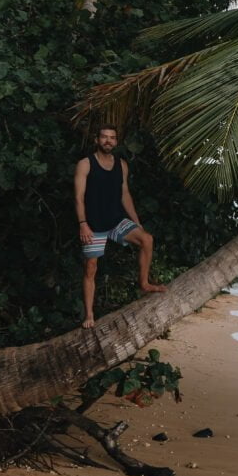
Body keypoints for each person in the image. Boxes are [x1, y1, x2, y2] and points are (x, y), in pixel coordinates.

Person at [74, 124, 165, 328]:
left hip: (116, 221)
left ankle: (144, 283)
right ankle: (89, 315)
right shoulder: (85, 164)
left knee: (147, 239)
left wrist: (136, 223)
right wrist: (83, 224)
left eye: (112, 138)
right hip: (94, 224)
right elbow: (78, 198)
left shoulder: (121, 165)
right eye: (104, 137)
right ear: (97, 140)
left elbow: (125, 194)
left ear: (116, 142)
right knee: (91, 268)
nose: (108, 141)